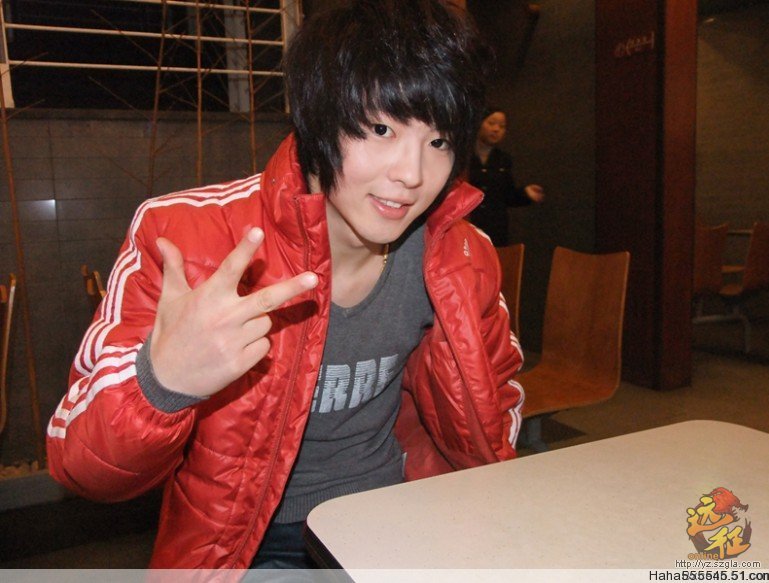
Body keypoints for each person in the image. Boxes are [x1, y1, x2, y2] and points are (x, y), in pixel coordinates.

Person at [46, 0, 524, 571]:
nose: (412, 174)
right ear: (317, 117)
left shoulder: (459, 253)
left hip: (401, 516)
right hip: (251, 542)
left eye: (439, 141)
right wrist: (162, 381)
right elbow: (80, 465)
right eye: (381, 129)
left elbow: (499, 396)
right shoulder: (187, 238)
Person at [467, 107, 544, 247]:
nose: (496, 129)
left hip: (495, 229)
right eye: (491, 123)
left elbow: (506, 195)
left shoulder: (503, 159)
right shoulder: (463, 156)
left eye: (502, 126)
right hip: (467, 224)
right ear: (479, 123)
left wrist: (525, 194)